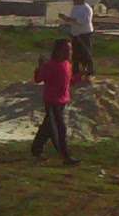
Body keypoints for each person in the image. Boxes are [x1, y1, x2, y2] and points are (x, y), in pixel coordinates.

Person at [31, 38, 82, 166]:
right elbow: (38, 79)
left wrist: (80, 77)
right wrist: (40, 67)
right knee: (59, 129)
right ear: (58, 51)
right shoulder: (50, 65)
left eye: (70, 49)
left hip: (62, 101)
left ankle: (36, 149)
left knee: (47, 127)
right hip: (52, 101)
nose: (69, 52)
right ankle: (66, 156)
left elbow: (69, 82)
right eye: (66, 49)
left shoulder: (67, 65)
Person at [59, 0, 94, 79]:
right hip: (75, 34)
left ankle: (89, 74)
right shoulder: (75, 7)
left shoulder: (86, 8)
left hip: (84, 34)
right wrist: (66, 20)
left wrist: (69, 19)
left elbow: (84, 21)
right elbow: (73, 20)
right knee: (75, 56)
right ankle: (75, 74)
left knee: (85, 54)